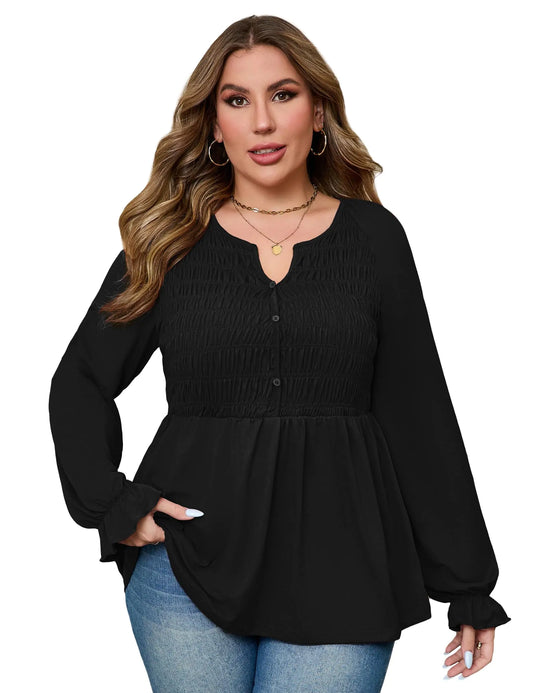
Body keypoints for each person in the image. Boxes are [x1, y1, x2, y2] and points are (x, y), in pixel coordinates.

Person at [48, 14, 511, 693]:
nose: (261, 122)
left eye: (283, 95)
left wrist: (467, 581)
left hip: (344, 565)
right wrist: (113, 503)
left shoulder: (374, 239)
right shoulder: (170, 240)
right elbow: (81, 378)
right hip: (189, 564)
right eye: (236, 100)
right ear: (213, 125)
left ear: (317, 111)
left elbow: (418, 411)